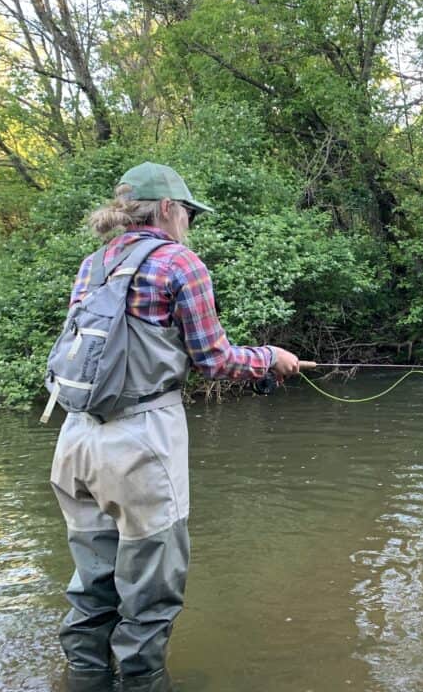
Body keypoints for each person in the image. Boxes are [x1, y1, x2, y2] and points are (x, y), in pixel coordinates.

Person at [49, 162, 300, 692]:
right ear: (167, 208)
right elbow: (214, 360)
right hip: (139, 444)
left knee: (93, 585)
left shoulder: (93, 265)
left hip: (74, 440)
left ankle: (85, 680)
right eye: (187, 211)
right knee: (151, 593)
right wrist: (270, 357)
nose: (189, 221)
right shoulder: (180, 263)